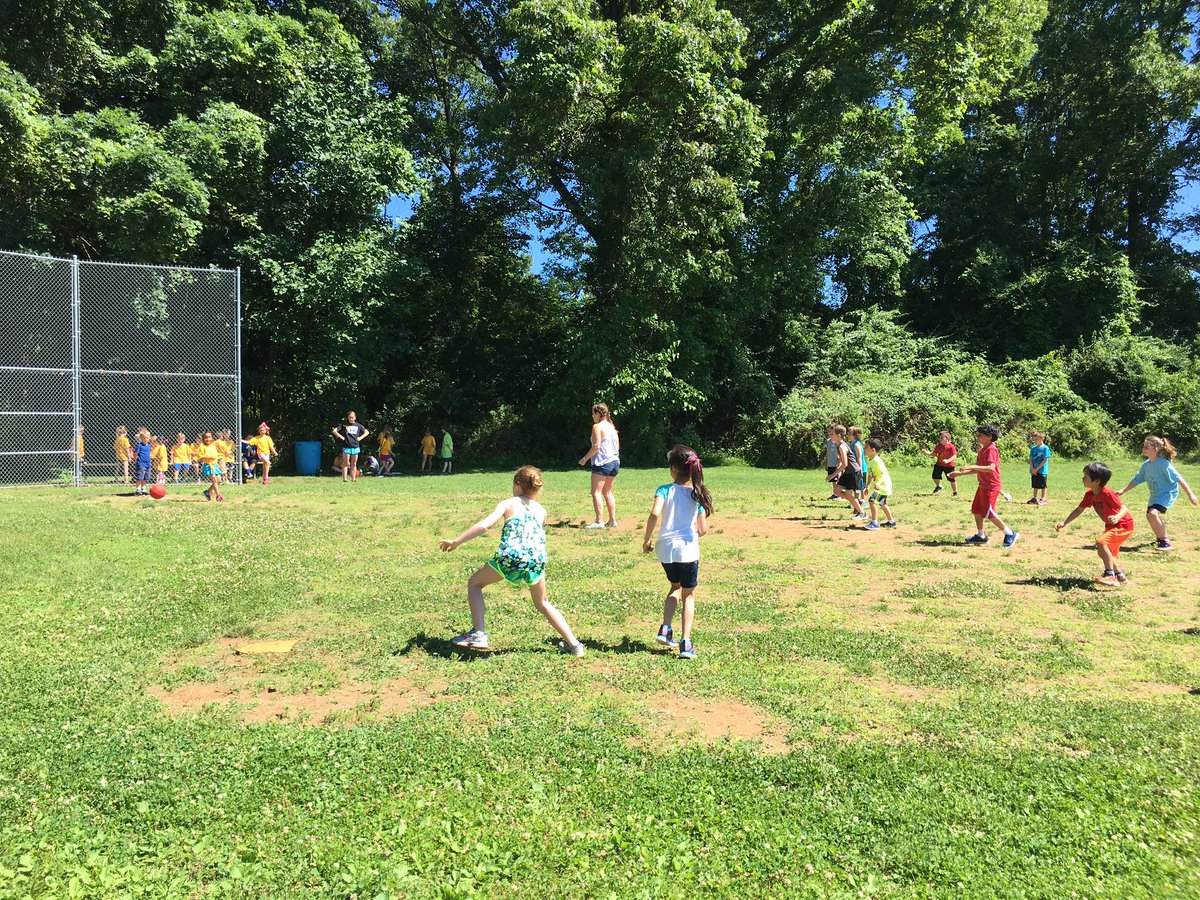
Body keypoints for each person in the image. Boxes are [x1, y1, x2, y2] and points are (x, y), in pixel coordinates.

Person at [439, 466, 585, 656]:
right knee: (543, 602)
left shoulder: (508, 503)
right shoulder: (542, 511)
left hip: (511, 558)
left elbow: (484, 526)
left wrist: (456, 541)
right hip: (536, 561)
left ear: (517, 485)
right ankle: (574, 645)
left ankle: (479, 633)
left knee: (474, 584)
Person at [643, 445, 712, 660]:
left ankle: (665, 628)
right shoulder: (696, 494)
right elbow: (702, 530)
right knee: (688, 594)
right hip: (687, 549)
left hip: (665, 548)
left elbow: (655, 513)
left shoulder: (664, 490)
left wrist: (647, 539)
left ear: (673, 469)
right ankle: (686, 643)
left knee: (674, 587)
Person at [1056, 462, 1135, 586]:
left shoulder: (1107, 493)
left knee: (1102, 542)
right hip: (1111, 526)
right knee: (1104, 551)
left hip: (1123, 525)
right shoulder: (1090, 494)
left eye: (1086, 476)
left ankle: (1110, 575)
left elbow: (1124, 508)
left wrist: (1116, 517)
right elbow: (1079, 509)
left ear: (1097, 481)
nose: (1083, 478)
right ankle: (1120, 577)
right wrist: (1064, 522)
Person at [1117, 435, 1197, 551]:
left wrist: (1191, 495)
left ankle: (1165, 542)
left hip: (1167, 494)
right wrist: (1123, 490)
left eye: (1146, 447)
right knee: (1150, 516)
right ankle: (1160, 539)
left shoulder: (1163, 464)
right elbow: (1137, 479)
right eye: (1143, 446)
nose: (1143, 449)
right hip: (1155, 495)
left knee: (1153, 514)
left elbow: (1179, 478)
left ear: (1155, 449)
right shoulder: (1146, 465)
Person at [949, 424, 1019, 547]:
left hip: (991, 486)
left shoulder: (992, 449)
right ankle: (981, 536)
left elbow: (991, 468)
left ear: (989, 437)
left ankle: (1010, 533)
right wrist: (959, 474)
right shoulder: (982, 450)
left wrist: (970, 466)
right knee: (976, 510)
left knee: (989, 512)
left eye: (980, 435)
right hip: (983, 485)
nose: (978, 436)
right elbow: (978, 470)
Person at [579, 403, 620, 529]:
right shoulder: (612, 427)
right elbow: (618, 446)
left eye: (593, 413)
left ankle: (599, 521)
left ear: (598, 413)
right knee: (607, 491)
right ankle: (612, 520)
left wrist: (585, 458)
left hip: (602, 463)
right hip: (615, 462)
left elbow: (596, 446)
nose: (592, 416)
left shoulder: (597, 426)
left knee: (595, 492)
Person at [828, 424, 866, 520]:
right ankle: (857, 501)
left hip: (853, 472)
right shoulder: (839, 445)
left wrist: (833, 475)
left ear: (838, 436)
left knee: (848, 495)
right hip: (848, 472)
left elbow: (845, 464)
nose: (830, 436)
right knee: (836, 490)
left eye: (832, 434)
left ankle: (862, 513)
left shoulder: (842, 447)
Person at [863, 438, 897, 529]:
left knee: (872, 501)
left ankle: (874, 523)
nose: (864, 449)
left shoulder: (876, 461)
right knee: (882, 503)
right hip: (881, 486)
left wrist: (878, 483)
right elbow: (870, 474)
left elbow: (883, 473)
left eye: (866, 448)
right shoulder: (869, 460)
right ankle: (892, 522)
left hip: (883, 486)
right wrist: (868, 486)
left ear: (873, 450)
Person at [332, 411, 370, 483]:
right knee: (345, 463)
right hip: (346, 446)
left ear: (355, 418)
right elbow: (334, 431)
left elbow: (367, 432)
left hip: (355, 446)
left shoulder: (358, 425)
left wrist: (360, 438)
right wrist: (342, 437)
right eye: (349, 417)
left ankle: (353, 479)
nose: (351, 418)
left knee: (354, 464)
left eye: (352, 417)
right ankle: (345, 479)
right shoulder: (344, 425)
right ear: (348, 418)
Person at [920, 431, 958, 496]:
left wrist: (948, 460)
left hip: (949, 466)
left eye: (942, 438)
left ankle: (955, 492)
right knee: (935, 476)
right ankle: (939, 486)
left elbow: (954, 456)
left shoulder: (951, 446)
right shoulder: (938, 446)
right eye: (940, 438)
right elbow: (934, 454)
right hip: (939, 464)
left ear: (947, 438)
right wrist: (926, 453)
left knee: (952, 479)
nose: (940, 439)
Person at [195, 432, 224, 501]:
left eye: (209, 437)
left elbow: (215, 456)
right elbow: (200, 457)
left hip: (214, 465)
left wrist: (217, 463)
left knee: (219, 481)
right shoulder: (202, 446)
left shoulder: (213, 446)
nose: (208, 439)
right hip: (208, 465)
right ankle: (218, 495)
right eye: (206, 438)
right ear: (203, 439)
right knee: (214, 479)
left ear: (212, 438)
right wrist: (208, 458)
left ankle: (207, 492)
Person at [1027, 432, 1052, 505]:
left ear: (1042, 438)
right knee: (1035, 485)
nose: (1035, 441)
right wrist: (1032, 468)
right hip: (1034, 470)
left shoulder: (1045, 448)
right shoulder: (1033, 448)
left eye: (1037, 439)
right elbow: (1031, 459)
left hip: (1042, 470)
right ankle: (1034, 498)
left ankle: (1043, 498)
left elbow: (1045, 460)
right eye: (1034, 439)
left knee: (1043, 485)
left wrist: (1037, 468)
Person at [848, 426, 868, 503]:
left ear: (855, 435)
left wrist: (859, 469)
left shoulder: (856, 445)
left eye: (850, 434)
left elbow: (859, 458)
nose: (848, 435)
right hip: (856, 468)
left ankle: (863, 501)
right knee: (857, 486)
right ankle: (858, 501)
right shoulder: (852, 444)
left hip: (861, 468)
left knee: (860, 486)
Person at [132, 428, 152, 495]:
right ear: (141, 438)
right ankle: (138, 490)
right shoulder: (139, 445)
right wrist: (135, 460)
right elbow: (135, 454)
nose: (146, 439)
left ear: (149, 438)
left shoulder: (149, 446)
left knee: (145, 478)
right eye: (144, 438)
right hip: (141, 464)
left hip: (148, 464)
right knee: (139, 477)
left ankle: (143, 490)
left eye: (147, 438)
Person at [823, 427, 842, 500]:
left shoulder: (837, 442)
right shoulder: (828, 441)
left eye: (832, 433)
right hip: (830, 463)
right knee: (833, 480)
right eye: (829, 432)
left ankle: (839, 494)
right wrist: (826, 463)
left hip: (836, 463)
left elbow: (840, 453)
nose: (830, 434)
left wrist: (840, 463)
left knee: (837, 479)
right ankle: (835, 494)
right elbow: (828, 453)